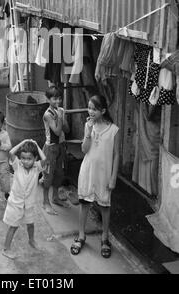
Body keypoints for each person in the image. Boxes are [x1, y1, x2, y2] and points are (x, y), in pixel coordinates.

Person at [71, 95, 120, 259]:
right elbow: (84, 150)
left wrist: (113, 177)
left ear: (103, 111)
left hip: (104, 174)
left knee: (105, 206)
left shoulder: (114, 130)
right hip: (88, 171)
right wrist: (88, 132)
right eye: (89, 108)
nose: (90, 111)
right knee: (84, 203)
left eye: (94, 109)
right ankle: (81, 235)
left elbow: (116, 155)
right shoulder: (88, 126)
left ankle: (105, 237)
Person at [3, 139, 46, 259]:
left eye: (29, 158)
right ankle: (6, 248)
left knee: (30, 224)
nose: (26, 161)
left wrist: (36, 145)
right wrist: (24, 142)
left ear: (35, 158)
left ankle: (31, 240)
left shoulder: (37, 167)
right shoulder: (17, 166)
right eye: (23, 158)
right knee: (13, 226)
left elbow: (45, 159)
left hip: (29, 204)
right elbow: (10, 153)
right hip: (16, 203)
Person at [42, 86, 69, 215]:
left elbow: (67, 130)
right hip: (50, 148)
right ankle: (45, 202)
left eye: (59, 98)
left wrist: (62, 117)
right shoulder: (48, 114)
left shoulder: (60, 111)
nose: (57, 101)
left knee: (59, 174)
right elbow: (57, 132)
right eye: (54, 99)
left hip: (61, 147)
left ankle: (55, 197)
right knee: (48, 176)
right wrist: (59, 116)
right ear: (48, 99)